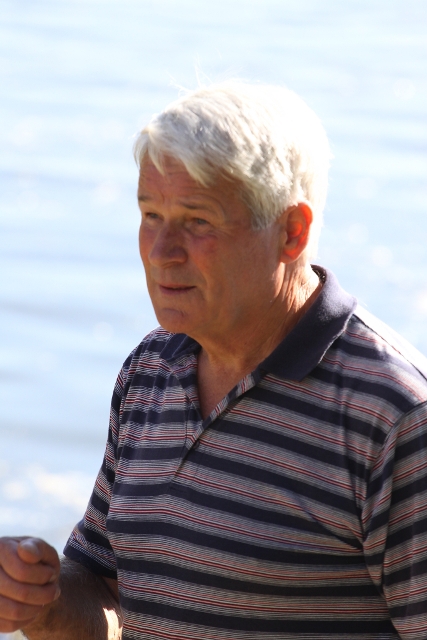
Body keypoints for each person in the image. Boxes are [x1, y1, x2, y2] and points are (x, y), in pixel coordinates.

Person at [1, 81, 427, 640]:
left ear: (292, 232)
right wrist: (41, 602)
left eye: (198, 221)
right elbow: (109, 592)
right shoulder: (150, 372)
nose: (162, 252)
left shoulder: (394, 415)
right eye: (151, 214)